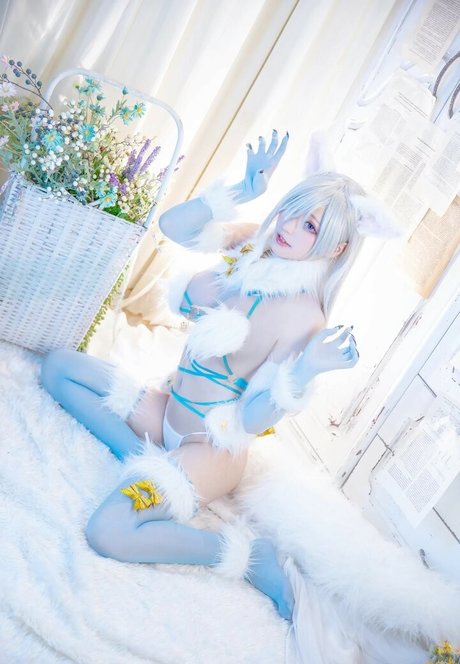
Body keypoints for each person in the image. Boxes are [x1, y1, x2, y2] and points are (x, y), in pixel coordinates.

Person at [40, 130, 393, 622]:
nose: (290, 226)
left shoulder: (305, 317)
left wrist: (306, 369)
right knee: (58, 368)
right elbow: (172, 225)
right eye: (292, 211)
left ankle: (248, 557)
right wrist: (240, 192)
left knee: (108, 531)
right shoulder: (254, 246)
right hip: (167, 409)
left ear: (337, 248)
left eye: (310, 226)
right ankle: (142, 457)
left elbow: (252, 419)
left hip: (209, 446)